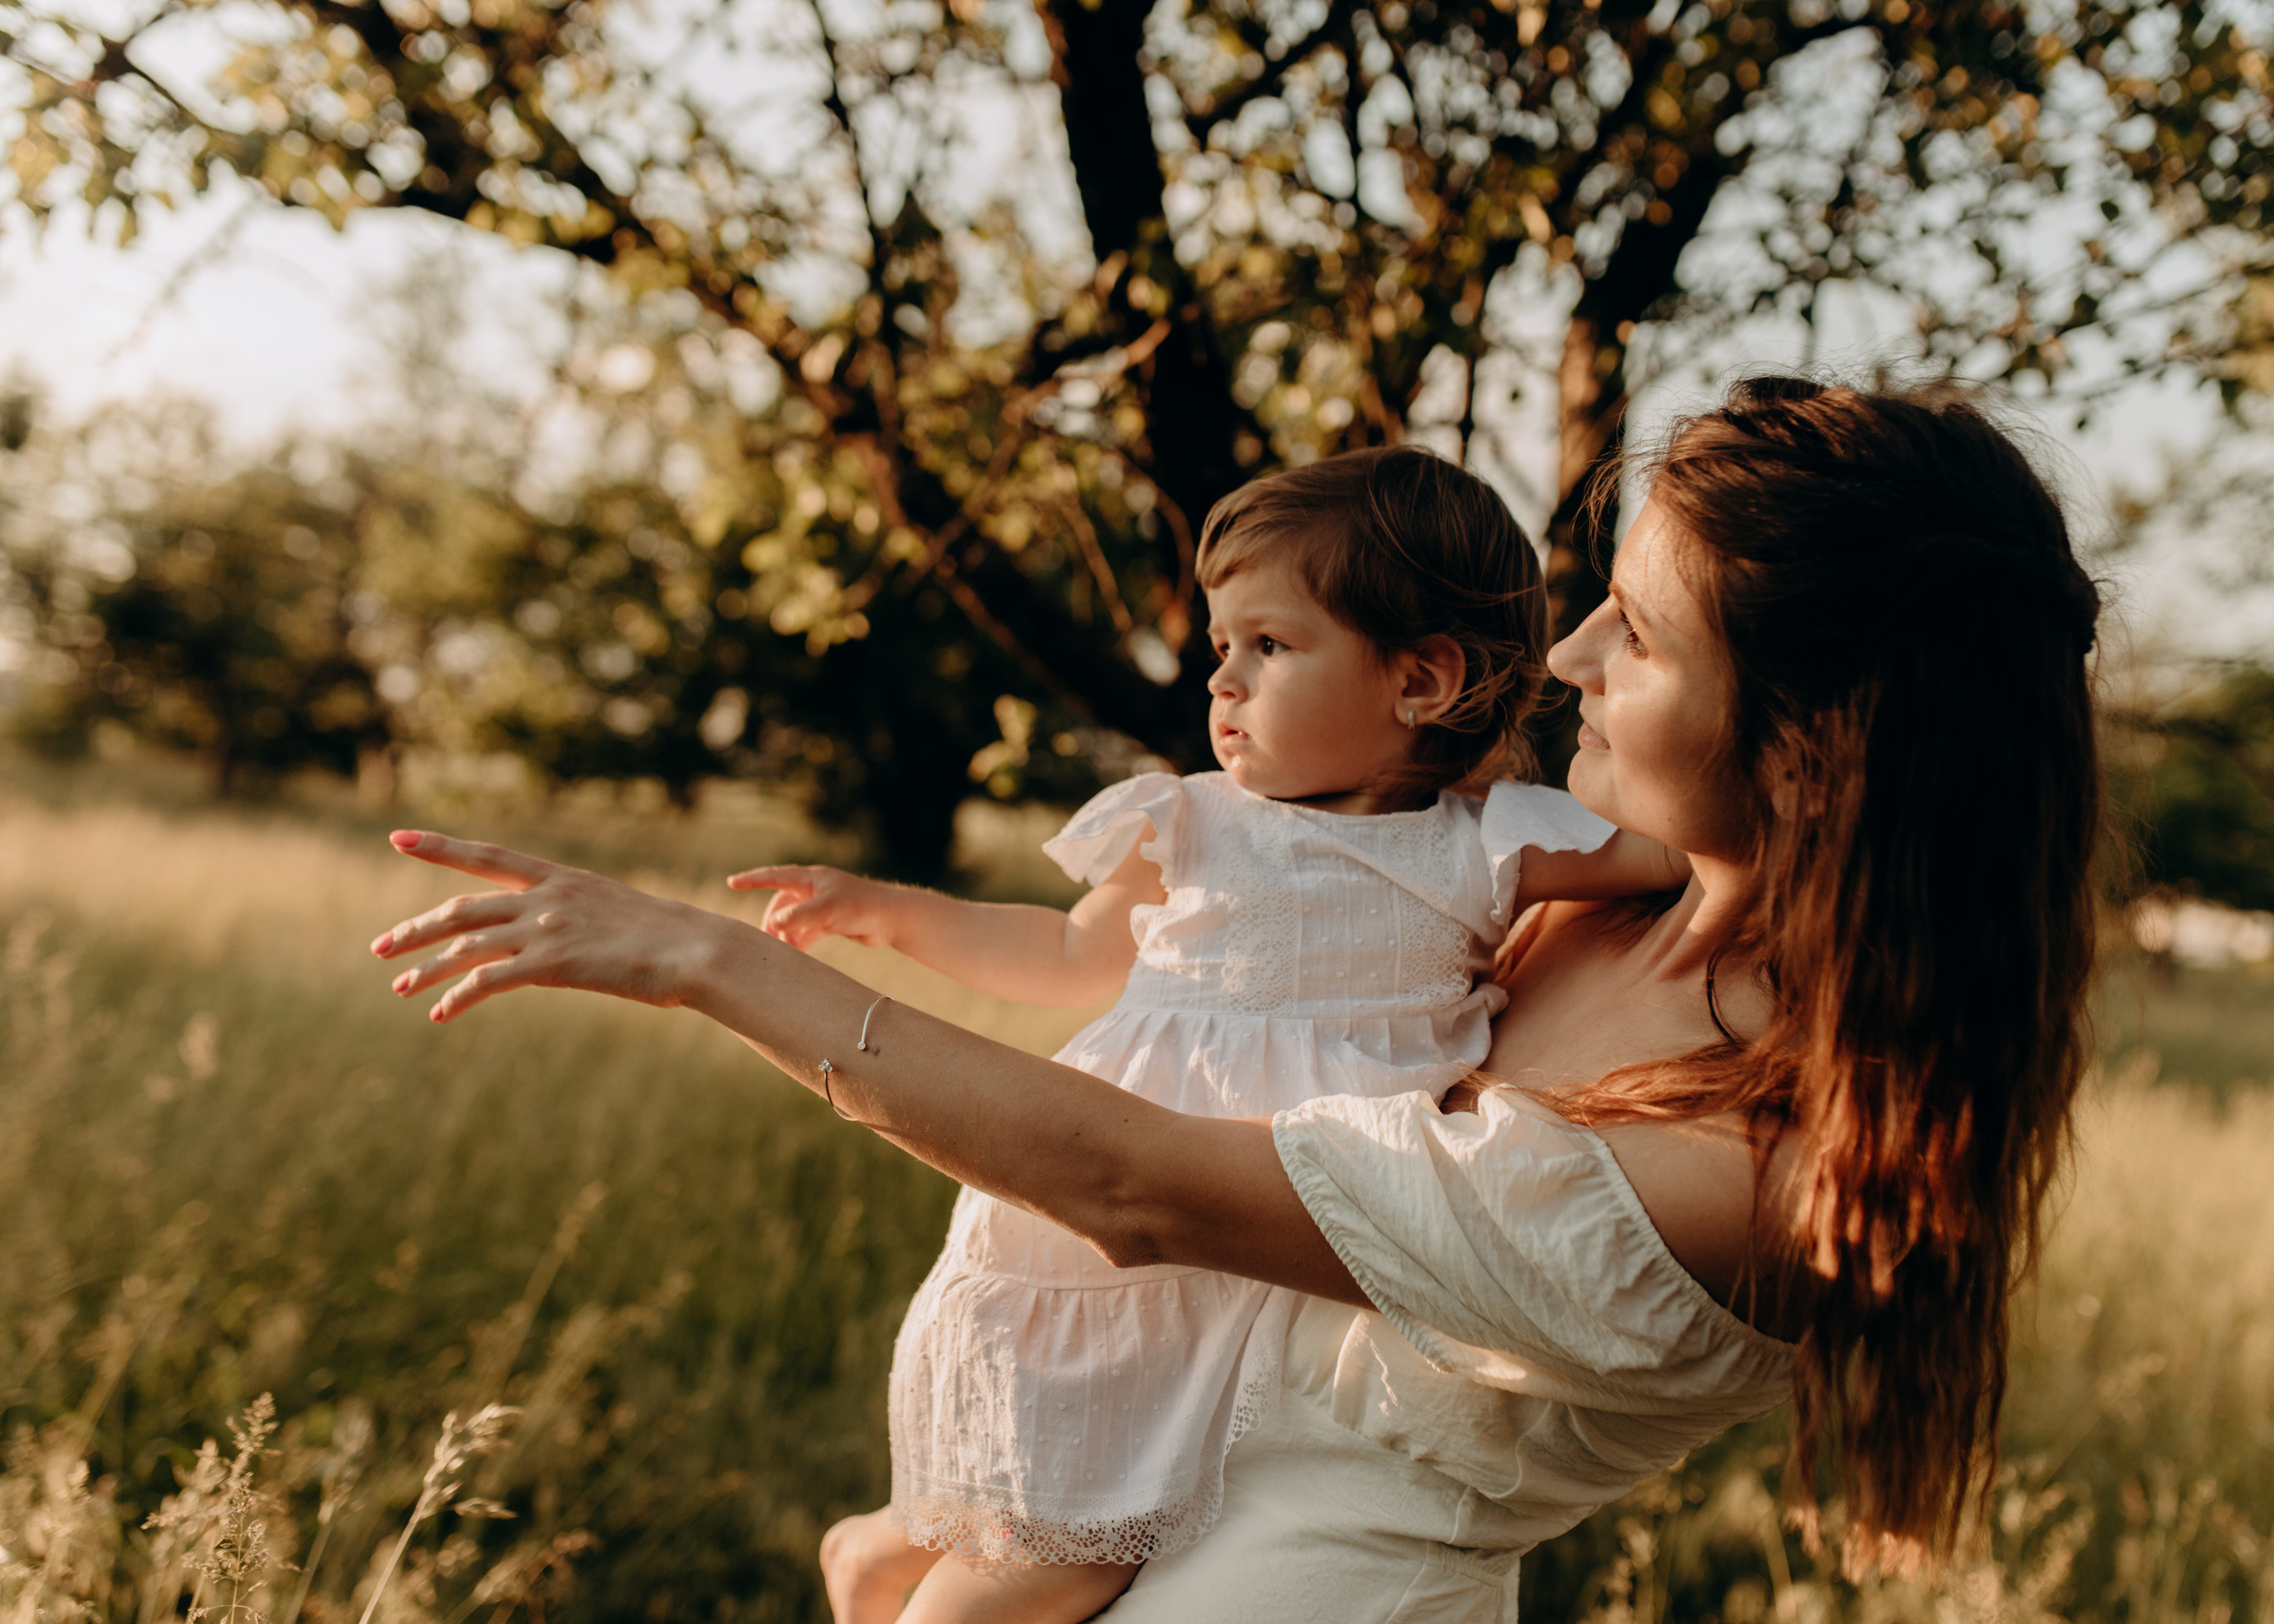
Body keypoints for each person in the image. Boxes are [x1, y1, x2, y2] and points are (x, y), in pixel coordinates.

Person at [369, 376, 2102, 1621]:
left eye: (1634, 638)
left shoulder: (1754, 1168)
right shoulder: (1584, 908)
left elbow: (1145, 1188)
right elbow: (1235, 957)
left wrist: (707, 960)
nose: (1564, 656)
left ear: (1818, 749)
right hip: (1147, 1466)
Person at [720, 447, 1689, 1624]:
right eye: (1222, 645)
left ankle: (874, 1562)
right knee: (1037, 1556)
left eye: (1268, 647)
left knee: (1054, 1547)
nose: (1220, 681)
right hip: (1120, 1231)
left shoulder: (1489, 842)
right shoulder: (1188, 820)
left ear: (1421, 680)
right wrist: (888, 912)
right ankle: (887, 1566)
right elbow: (1065, 957)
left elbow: (1691, 847)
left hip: (1283, 1246)